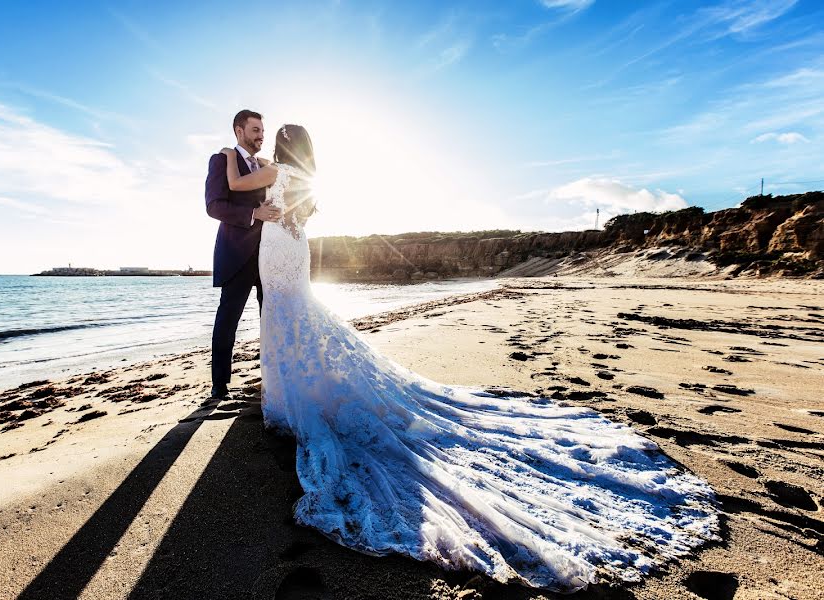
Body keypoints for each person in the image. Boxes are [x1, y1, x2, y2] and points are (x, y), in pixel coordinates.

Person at [220, 125, 718, 592]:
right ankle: (298, 391)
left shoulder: (273, 172)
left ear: (282, 147)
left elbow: (237, 180)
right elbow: (279, 207)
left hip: (276, 251)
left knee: (282, 318)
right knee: (296, 314)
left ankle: (289, 399)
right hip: (296, 248)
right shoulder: (306, 179)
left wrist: (227, 156)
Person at [204, 109, 282, 399]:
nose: (261, 135)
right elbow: (214, 205)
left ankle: (272, 378)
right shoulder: (222, 160)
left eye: (263, 130)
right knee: (228, 320)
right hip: (236, 254)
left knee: (270, 318)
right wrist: (253, 213)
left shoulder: (263, 164)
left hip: (268, 255)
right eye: (255, 130)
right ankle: (219, 384)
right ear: (239, 131)